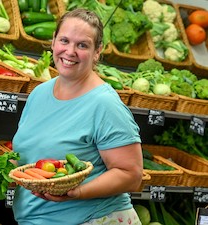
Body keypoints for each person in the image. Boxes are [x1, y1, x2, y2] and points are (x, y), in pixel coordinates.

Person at [12, 8, 143, 225]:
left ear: (97, 51)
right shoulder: (39, 94)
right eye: (64, 40)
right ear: (53, 42)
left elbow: (131, 175)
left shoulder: (104, 103)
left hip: (95, 219)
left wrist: (78, 192)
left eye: (82, 45)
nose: (70, 51)